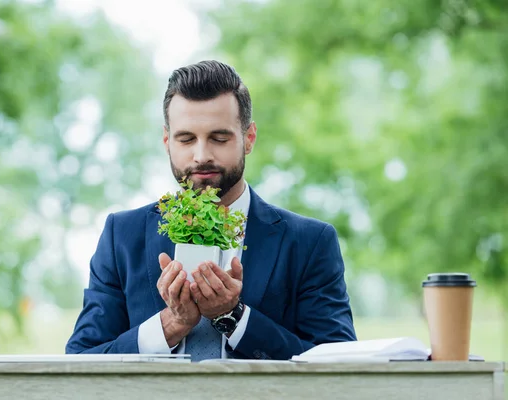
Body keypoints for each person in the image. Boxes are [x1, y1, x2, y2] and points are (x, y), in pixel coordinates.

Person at [65, 60, 356, 360]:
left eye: (219, 138)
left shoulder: (309, 242)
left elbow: (339, 365)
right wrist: (170, 324)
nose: (201, 155)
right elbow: (81, 360)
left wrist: (234, 317)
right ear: (167, 141)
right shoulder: (121, 236)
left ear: (249, 138)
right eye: (186, 139)